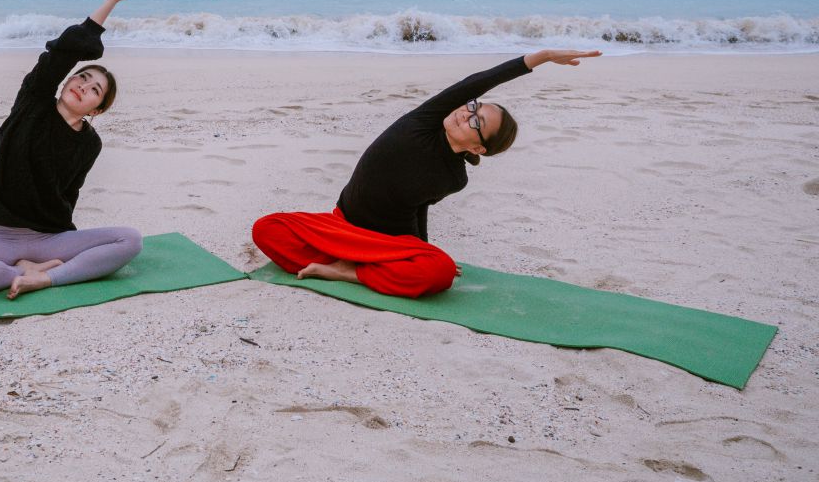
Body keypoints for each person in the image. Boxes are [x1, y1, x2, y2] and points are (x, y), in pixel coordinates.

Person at [251, 48, 601, 298]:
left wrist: (423, 253)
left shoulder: (455, 179)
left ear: (478, 148)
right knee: (266, 229)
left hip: (387, 244)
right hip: (341, 225)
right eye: (474, 107)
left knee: (441, 271)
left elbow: (418, 208)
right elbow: (480, 80)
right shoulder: (425, 121)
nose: (467, 112)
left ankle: (348, 272)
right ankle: (356, 266)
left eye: (477, 121)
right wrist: (539, 58)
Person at [0, 0, 145, 299]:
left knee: (130, 240)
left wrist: (70, 245)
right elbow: (64, 52)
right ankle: (24, 272)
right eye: (82, 78)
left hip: (49, 238)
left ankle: (47, 278)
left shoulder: (89, 143)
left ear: (97, 109)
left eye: (95, 90)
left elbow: (70, 194)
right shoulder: (33, 101)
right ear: (66, 81)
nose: (84, 86)